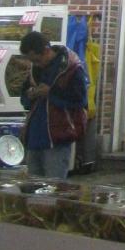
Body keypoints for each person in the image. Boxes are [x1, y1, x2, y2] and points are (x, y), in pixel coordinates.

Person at [18, 30, 89, 180]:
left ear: (46, 50)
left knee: (54, 185)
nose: (35, 64)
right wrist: (29, 95)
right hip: (34, 137)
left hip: (58, 137)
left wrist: (51, 93)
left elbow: (80, 101)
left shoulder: (72, 68)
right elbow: (24, 97)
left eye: (37, 60)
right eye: (32, 61)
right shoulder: (35, 70)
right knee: (32, 184)